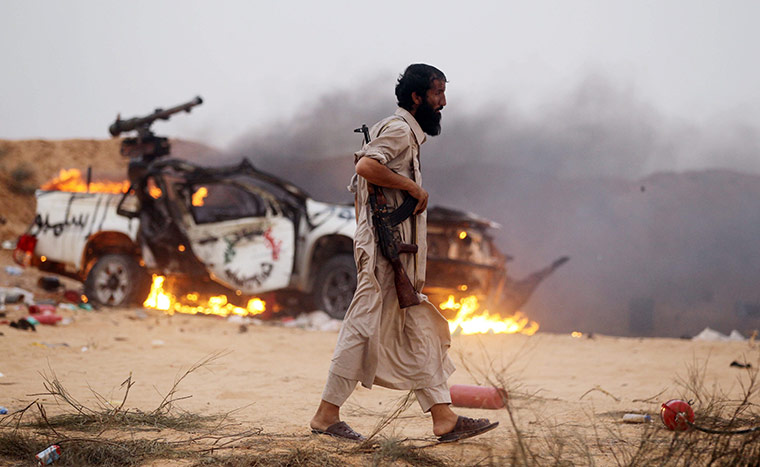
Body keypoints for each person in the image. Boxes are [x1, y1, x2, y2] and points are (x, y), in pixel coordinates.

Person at [310, 64, 499, 443]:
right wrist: (411, 188)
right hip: (384, 250)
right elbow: (366, 166)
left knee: (417, 327)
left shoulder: (404, 134)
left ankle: (443, 417)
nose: (443, 102)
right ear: (417, 98)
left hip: (395, 252)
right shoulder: (398, 130)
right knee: (363, 327)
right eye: (437, 94)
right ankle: (326, 416)